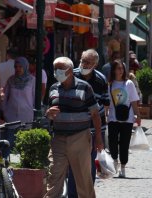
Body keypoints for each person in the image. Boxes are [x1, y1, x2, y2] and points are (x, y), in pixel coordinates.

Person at [44, 57, 104, 198]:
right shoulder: (53, 88)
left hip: (80, 138)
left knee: (83, 179)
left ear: (69, 71)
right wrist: (48, 114)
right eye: (55, 69)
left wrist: (99, 139)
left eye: (59, 69)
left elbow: (95, 115)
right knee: (54, 176)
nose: (56, 72)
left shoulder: (84, 87)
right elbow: (49, 112)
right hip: (58, 139)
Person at [67, 49, 109, 197]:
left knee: (89, 165)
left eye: (88, 62)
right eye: (82, 60)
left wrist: (100, 135)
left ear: (95, 64)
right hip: (74, 128)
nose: (84, 64)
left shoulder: (101, 80)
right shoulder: (71, 75)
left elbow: (105, 105)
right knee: (73, 165)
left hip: (93, 129)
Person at [107, 59, 141, 177]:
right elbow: (107, 102)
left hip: (128, 117)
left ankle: (123, 167)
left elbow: (134, 100)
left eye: (122, 68)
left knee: (124, 143)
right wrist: (105, 115)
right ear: (114, 70)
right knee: (112, 142)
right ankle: (115, 160)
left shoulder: (129, 83)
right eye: (118, 68)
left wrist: (138, 116)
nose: (120, 70)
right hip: (113, 117)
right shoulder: (110, 84)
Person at [1, 57, 35, 158]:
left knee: (24, 144)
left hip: (26, 116)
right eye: (16, 67)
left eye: (20, 67)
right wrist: (5, 111)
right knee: (9, 143)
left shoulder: (32, 80)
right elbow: (5, 97)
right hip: (11, 116)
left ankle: (22, 166)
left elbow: (34, 98)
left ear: (25, 67)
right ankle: (7, 166)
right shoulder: (11, 80)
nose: (18, 69)